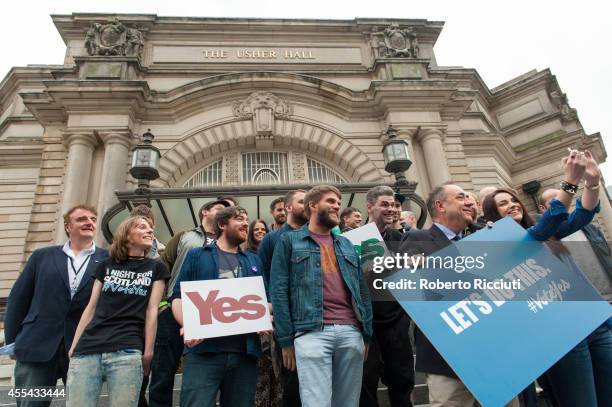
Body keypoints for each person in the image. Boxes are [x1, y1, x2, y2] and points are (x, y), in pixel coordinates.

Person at [400, 183, 521, 407]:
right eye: (461, 197)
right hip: (447, 357)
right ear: (440, 206)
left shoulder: (486, 237)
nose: (470, 202)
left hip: (493, 350)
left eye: (470, 198)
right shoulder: (418, 240)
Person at [270, 185, 373, 407]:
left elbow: (362, 290)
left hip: (351, 332)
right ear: (313, 205)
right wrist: (286, 340)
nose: (337, 206)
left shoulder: (345, 243)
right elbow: (278, 290)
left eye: (338, 202)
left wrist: (366, 334)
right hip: (311, 332)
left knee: (348, 403)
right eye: (331, 201)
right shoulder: (289, 241)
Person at [5, 204, 108, 407]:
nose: (89, 222)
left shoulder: (108, 259)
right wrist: (12, 342)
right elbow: (18, 300)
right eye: (81, 219)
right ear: (68, 227)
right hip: (37, 347)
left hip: (84, 349)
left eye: (93, 219)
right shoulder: (41, 256)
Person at [66, 216, 169, 407]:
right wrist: (74, 345)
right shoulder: (106, 265)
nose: (150, 231)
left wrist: (148, 353)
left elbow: (152, 311)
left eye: (150, 228)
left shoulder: (157, 268)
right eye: (142, 227)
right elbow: (91, 307)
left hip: (127, 349)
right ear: (126, 235)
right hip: (88, 348)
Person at [170, 206, 266, 407]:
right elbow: (178, 297)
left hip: (245, 354)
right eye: (239, 219)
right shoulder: (197, 255)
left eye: (247, 219)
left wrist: (264, 316)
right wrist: (187, 324)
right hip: (203, 353)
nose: (246, 223)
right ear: (222, 224)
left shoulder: (254, 260)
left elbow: (266, 300)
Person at [148, 199, 229, 407]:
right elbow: (162, 269)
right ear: (205, 212)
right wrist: (162, 303)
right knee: (163, 370)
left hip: (215, 312)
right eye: (220, 208)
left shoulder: (230, 242)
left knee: (211, 369)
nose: (225, 212)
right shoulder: (184, 236)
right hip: (175, 309)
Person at [360, 185, 414, 407]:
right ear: (370, 207)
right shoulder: (351, 239)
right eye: (385, 204)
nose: (391, 209)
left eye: (393, 205)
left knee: (402, 379)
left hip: (396, 319)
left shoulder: (402, 238)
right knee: (366, 380)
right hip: (366, 321)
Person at [256, 189, 307, 407]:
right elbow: (262, 275)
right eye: (302, 202)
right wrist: (270, 308)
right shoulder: (271, 239)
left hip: (315, 318)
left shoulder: (319, 235)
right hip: (284, 318)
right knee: (291, 376)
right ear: (288, 207)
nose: (308, 205)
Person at [539, 188, 612, 301]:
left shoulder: (590, 228)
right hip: (585, 304)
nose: (562, 203)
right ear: (543, 208)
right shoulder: (543, 238)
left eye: (565, 199)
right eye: (555, 201)